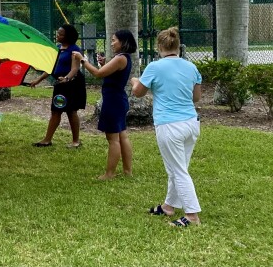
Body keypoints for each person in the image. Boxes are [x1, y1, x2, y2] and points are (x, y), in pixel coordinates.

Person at [131, 27, 203, 227]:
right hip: (191, 123)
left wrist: (135, 80)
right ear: (178, 46)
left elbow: (138, 93)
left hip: (169, 125)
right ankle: (169, 206)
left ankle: (191, 215)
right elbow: (196, 97)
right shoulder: (191, 67)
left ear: (159, 47)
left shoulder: (155, 67)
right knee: (177, 168)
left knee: (179, 170)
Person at [74, 29, 137, 180]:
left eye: (114, 40)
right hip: (118, 99)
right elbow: (108, 73)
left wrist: (83, 60)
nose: (112, 43)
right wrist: (104, 64)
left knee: (113, 139)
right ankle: (127, 171)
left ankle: (110, 173)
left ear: (123, 42)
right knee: (122, 136)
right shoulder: (123, 58)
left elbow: (98, 74)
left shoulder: (120, 58)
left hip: (113, 101)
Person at [31, 24, 87, 149]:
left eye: (60, 34)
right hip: (60, 83)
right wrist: (38, 80)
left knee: (71, 111)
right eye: (58, 33)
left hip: (72, 83)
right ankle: (47, 140)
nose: (57, 35)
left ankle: (76, 141)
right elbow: (51, 68)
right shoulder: (56, 49)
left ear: (68, 36)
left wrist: (66, 78)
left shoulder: (74, 50)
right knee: (55, 111)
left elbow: (74, 69)